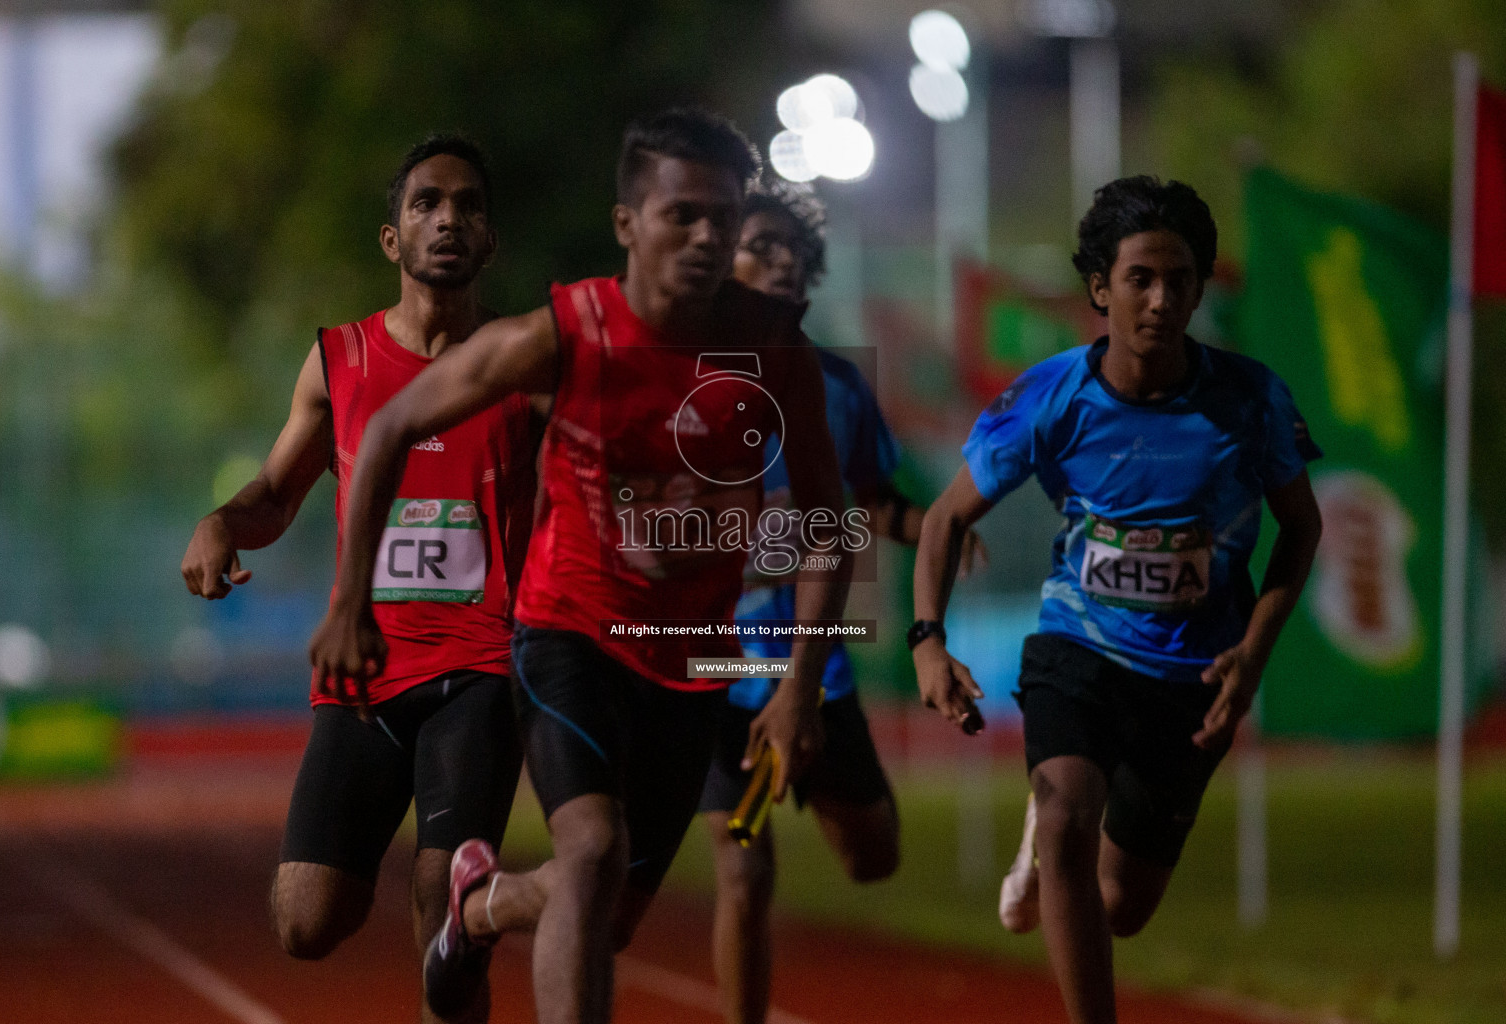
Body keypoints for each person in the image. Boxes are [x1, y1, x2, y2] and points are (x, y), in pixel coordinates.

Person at [306, 108, 852, 1024]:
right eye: (683, 215)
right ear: (627, 223)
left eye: (724, 217)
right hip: (571, 635)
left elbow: (827, 519)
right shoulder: (562, 334)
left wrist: (797, 686)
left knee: (608, 917)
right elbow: (393, 424)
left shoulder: (775, 345)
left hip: (687, 655)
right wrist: (350, 601)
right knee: (591, 849)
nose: (709, 237)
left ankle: (481, 909)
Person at [910, 176, 1324, 1024]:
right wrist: (926, 640)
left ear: (1201, 287)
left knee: (1123, 905)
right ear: (1101, 288)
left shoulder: (1251, 401)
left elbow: (1302, 531)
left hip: (1195, 671)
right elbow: (948, 517)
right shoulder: (1051, 397)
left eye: (1179, 279)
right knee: (1067, 814)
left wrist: (1253, 652)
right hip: (1080, 647)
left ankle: (1050, 849)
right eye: (1140, 278)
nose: (1161, 299)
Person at [180, 134, 539, 1024]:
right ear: (393, 240)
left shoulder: (527, 363)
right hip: (364, 672)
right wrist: (223, 522)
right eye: (426, 203)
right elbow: (275, 494)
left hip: (485, 667)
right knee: (304, 921)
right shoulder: (338, 360)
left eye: (467, 205)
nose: (448, 218)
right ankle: (476, 917)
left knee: (435, 895)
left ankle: (461, 932)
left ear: (490, 240)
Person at [699, 178, 985, 1024]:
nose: (781, 265)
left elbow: (867, 495)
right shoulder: (681, 377)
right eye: (761, 247)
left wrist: (932, 526)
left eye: (796, 254)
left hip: (816, 667)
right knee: (743, 871)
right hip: (713, 665)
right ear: (719, 261)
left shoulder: (837, 387)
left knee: (874, 858)